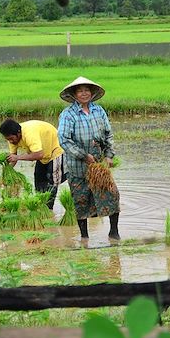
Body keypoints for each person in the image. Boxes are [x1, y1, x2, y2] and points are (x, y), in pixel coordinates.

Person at [57, 76, 120, 240]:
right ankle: (84, 237)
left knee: (112, 195)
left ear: (92, 93)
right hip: (78, 168)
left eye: (87, 90)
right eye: (80, 90)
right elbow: (64, 140)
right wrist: (84, 156)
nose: (84, 93)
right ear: (74, 94)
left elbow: (108, 135)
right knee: (81, 201)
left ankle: (114, 232)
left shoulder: (99, 111)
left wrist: (109, 155)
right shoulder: (68, 115)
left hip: (99, 167)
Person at [0, 119, 66, 209]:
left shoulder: (29, 134)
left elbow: (39, 154)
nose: (10, 141)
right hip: (42, 153)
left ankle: (48, 209)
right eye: (7, 139)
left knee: (52, 181)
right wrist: (6, 171)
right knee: (39, 180)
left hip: (55, 149)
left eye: (11, 138)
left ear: (18, 132)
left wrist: (18, 157)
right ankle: (41, 206)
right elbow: (13, 157)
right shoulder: (12, 139)